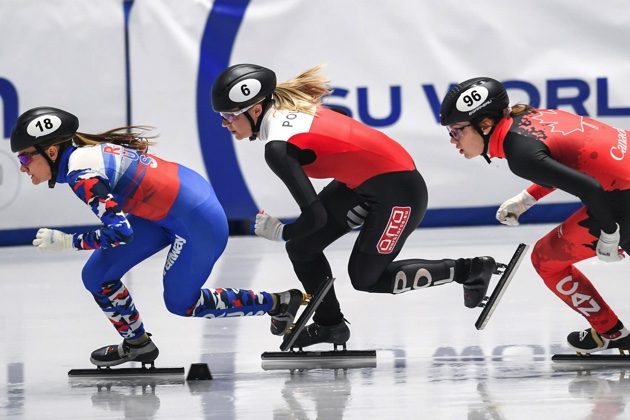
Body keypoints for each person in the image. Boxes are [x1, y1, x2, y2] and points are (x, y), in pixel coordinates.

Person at [210, 63, 497, 349]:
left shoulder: (278, 148)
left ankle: (468, 270)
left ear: (256, 110)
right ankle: (329, 325)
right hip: (363, 184)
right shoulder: (289, 111)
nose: (224, 123)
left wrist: (281, 231)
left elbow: (315, 217)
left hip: (399, 191)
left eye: (229, 115)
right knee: (302, 248)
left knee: (364, 277)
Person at [10, 106, 305, 367]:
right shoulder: (82, 159)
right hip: (171, 205)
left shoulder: (81, 174)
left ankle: (277, 303)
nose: (23, 166)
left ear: (51, 152)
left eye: (25, 156)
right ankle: (138, 345)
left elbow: (120, 232)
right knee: (96, 275)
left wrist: (68, 242)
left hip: (197, 220)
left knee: (181, 303)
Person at [439, 77, 630, 353]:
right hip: (619, 188)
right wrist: (528, 197)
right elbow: (569, 159)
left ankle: (611, 331)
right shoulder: (527, 117)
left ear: (485, 125)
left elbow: (590, 187)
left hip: (621, 197)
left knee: (546, 260)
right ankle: (610, 331)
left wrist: (610, 235)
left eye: (456, 131)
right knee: (546, 256)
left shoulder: (520, 154)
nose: (452, 140)